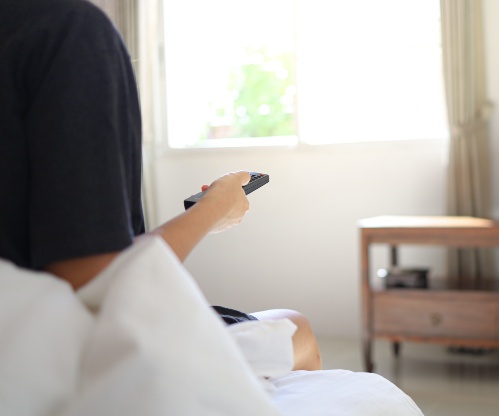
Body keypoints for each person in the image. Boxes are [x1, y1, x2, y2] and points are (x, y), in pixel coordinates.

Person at [0, 0, 320, 370]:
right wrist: (214, 208)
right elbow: (96, 283)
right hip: (50, 348)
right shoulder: (70, 33)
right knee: (297, 329)